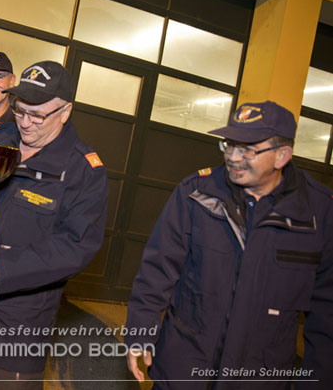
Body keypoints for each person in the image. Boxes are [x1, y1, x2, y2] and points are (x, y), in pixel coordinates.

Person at [125, 100, 333, 389]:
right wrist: (139, 334)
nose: (233, 157)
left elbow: (327, 312)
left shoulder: (319, 213)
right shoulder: (196, 194)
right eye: (229, 145)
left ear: (282, 155)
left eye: (247, 149)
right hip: (183, 369)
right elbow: (157, 272)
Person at [0, 61, 109, 388]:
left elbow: (74, 247)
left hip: (15, 329)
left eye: (37, 115)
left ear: (65, 111)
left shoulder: (83, 172)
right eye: (20, 110)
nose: (25, 122)